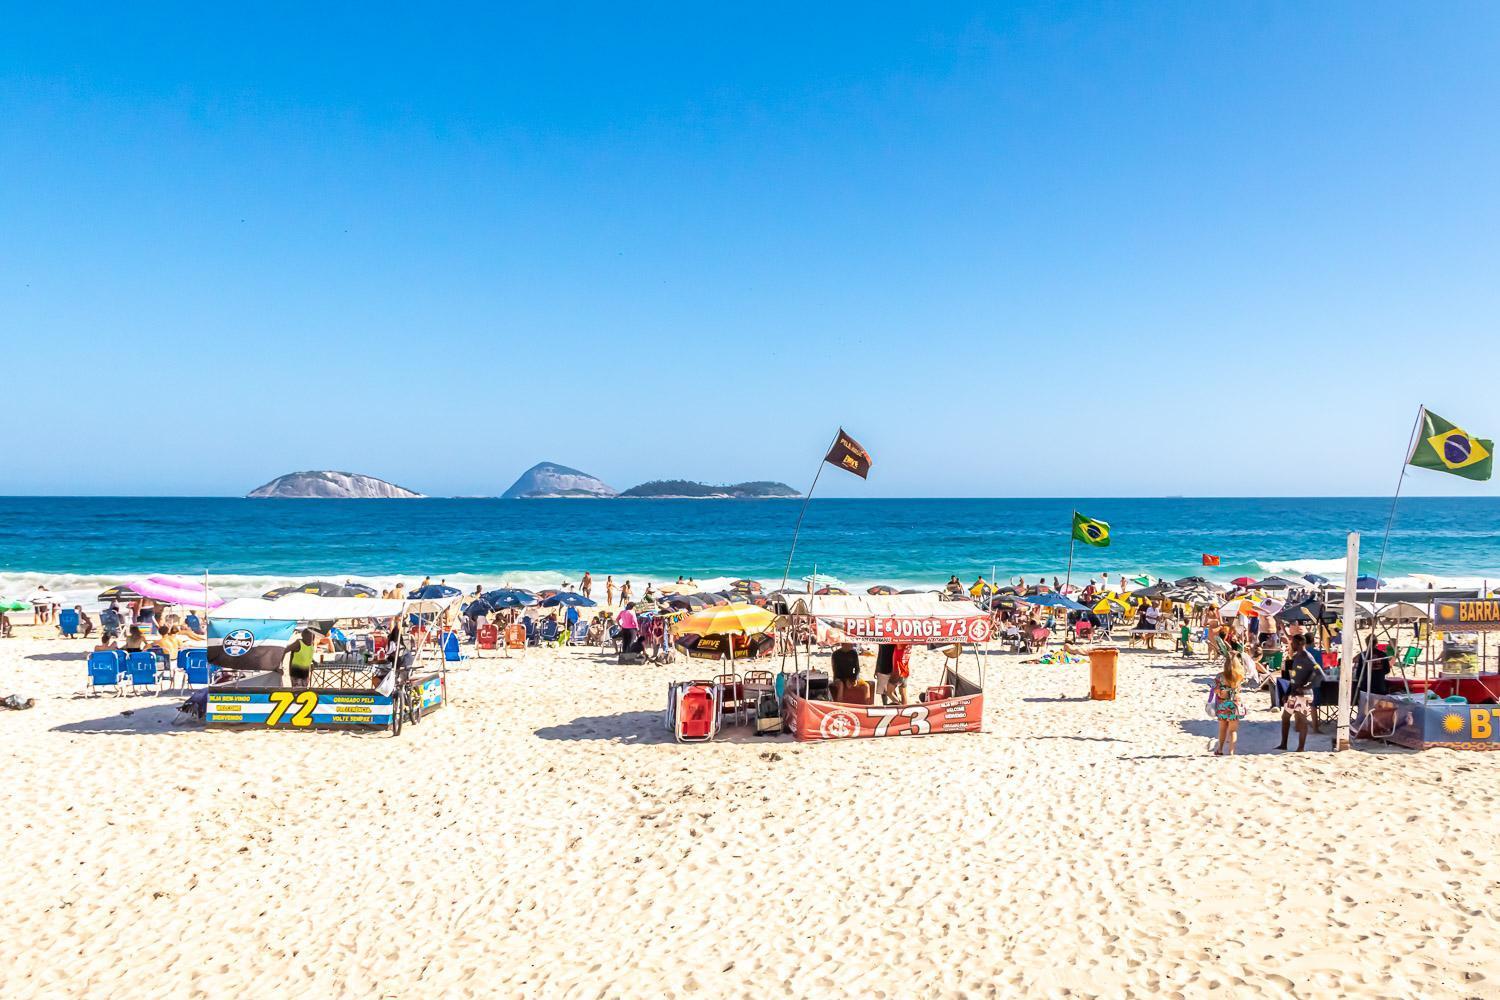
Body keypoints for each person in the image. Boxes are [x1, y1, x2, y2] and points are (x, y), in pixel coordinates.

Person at [1279, 634, 1320, 751]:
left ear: (1300, 643)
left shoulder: (1307, 656)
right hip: (1294, 692)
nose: (1291, 645)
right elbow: (1294, 676)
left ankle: (1300, 747)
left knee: (1302, 721)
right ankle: (1283, 744)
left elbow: (1319, 673)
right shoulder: (1297, 656)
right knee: (1285, 717)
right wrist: (1287, 693)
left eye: (1294, 643)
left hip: (1303, 694)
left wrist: (1307, 686)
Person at [1209, 654, 1246, 755]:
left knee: (1222, 729)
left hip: (1223, 704)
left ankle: (1220, 749)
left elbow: (1216, 690)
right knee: (1233, 730)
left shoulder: (1220, 676)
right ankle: (1231, 752)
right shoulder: (1240, 676)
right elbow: (1240, 690)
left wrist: (1218, 690)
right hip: (1235, 705)